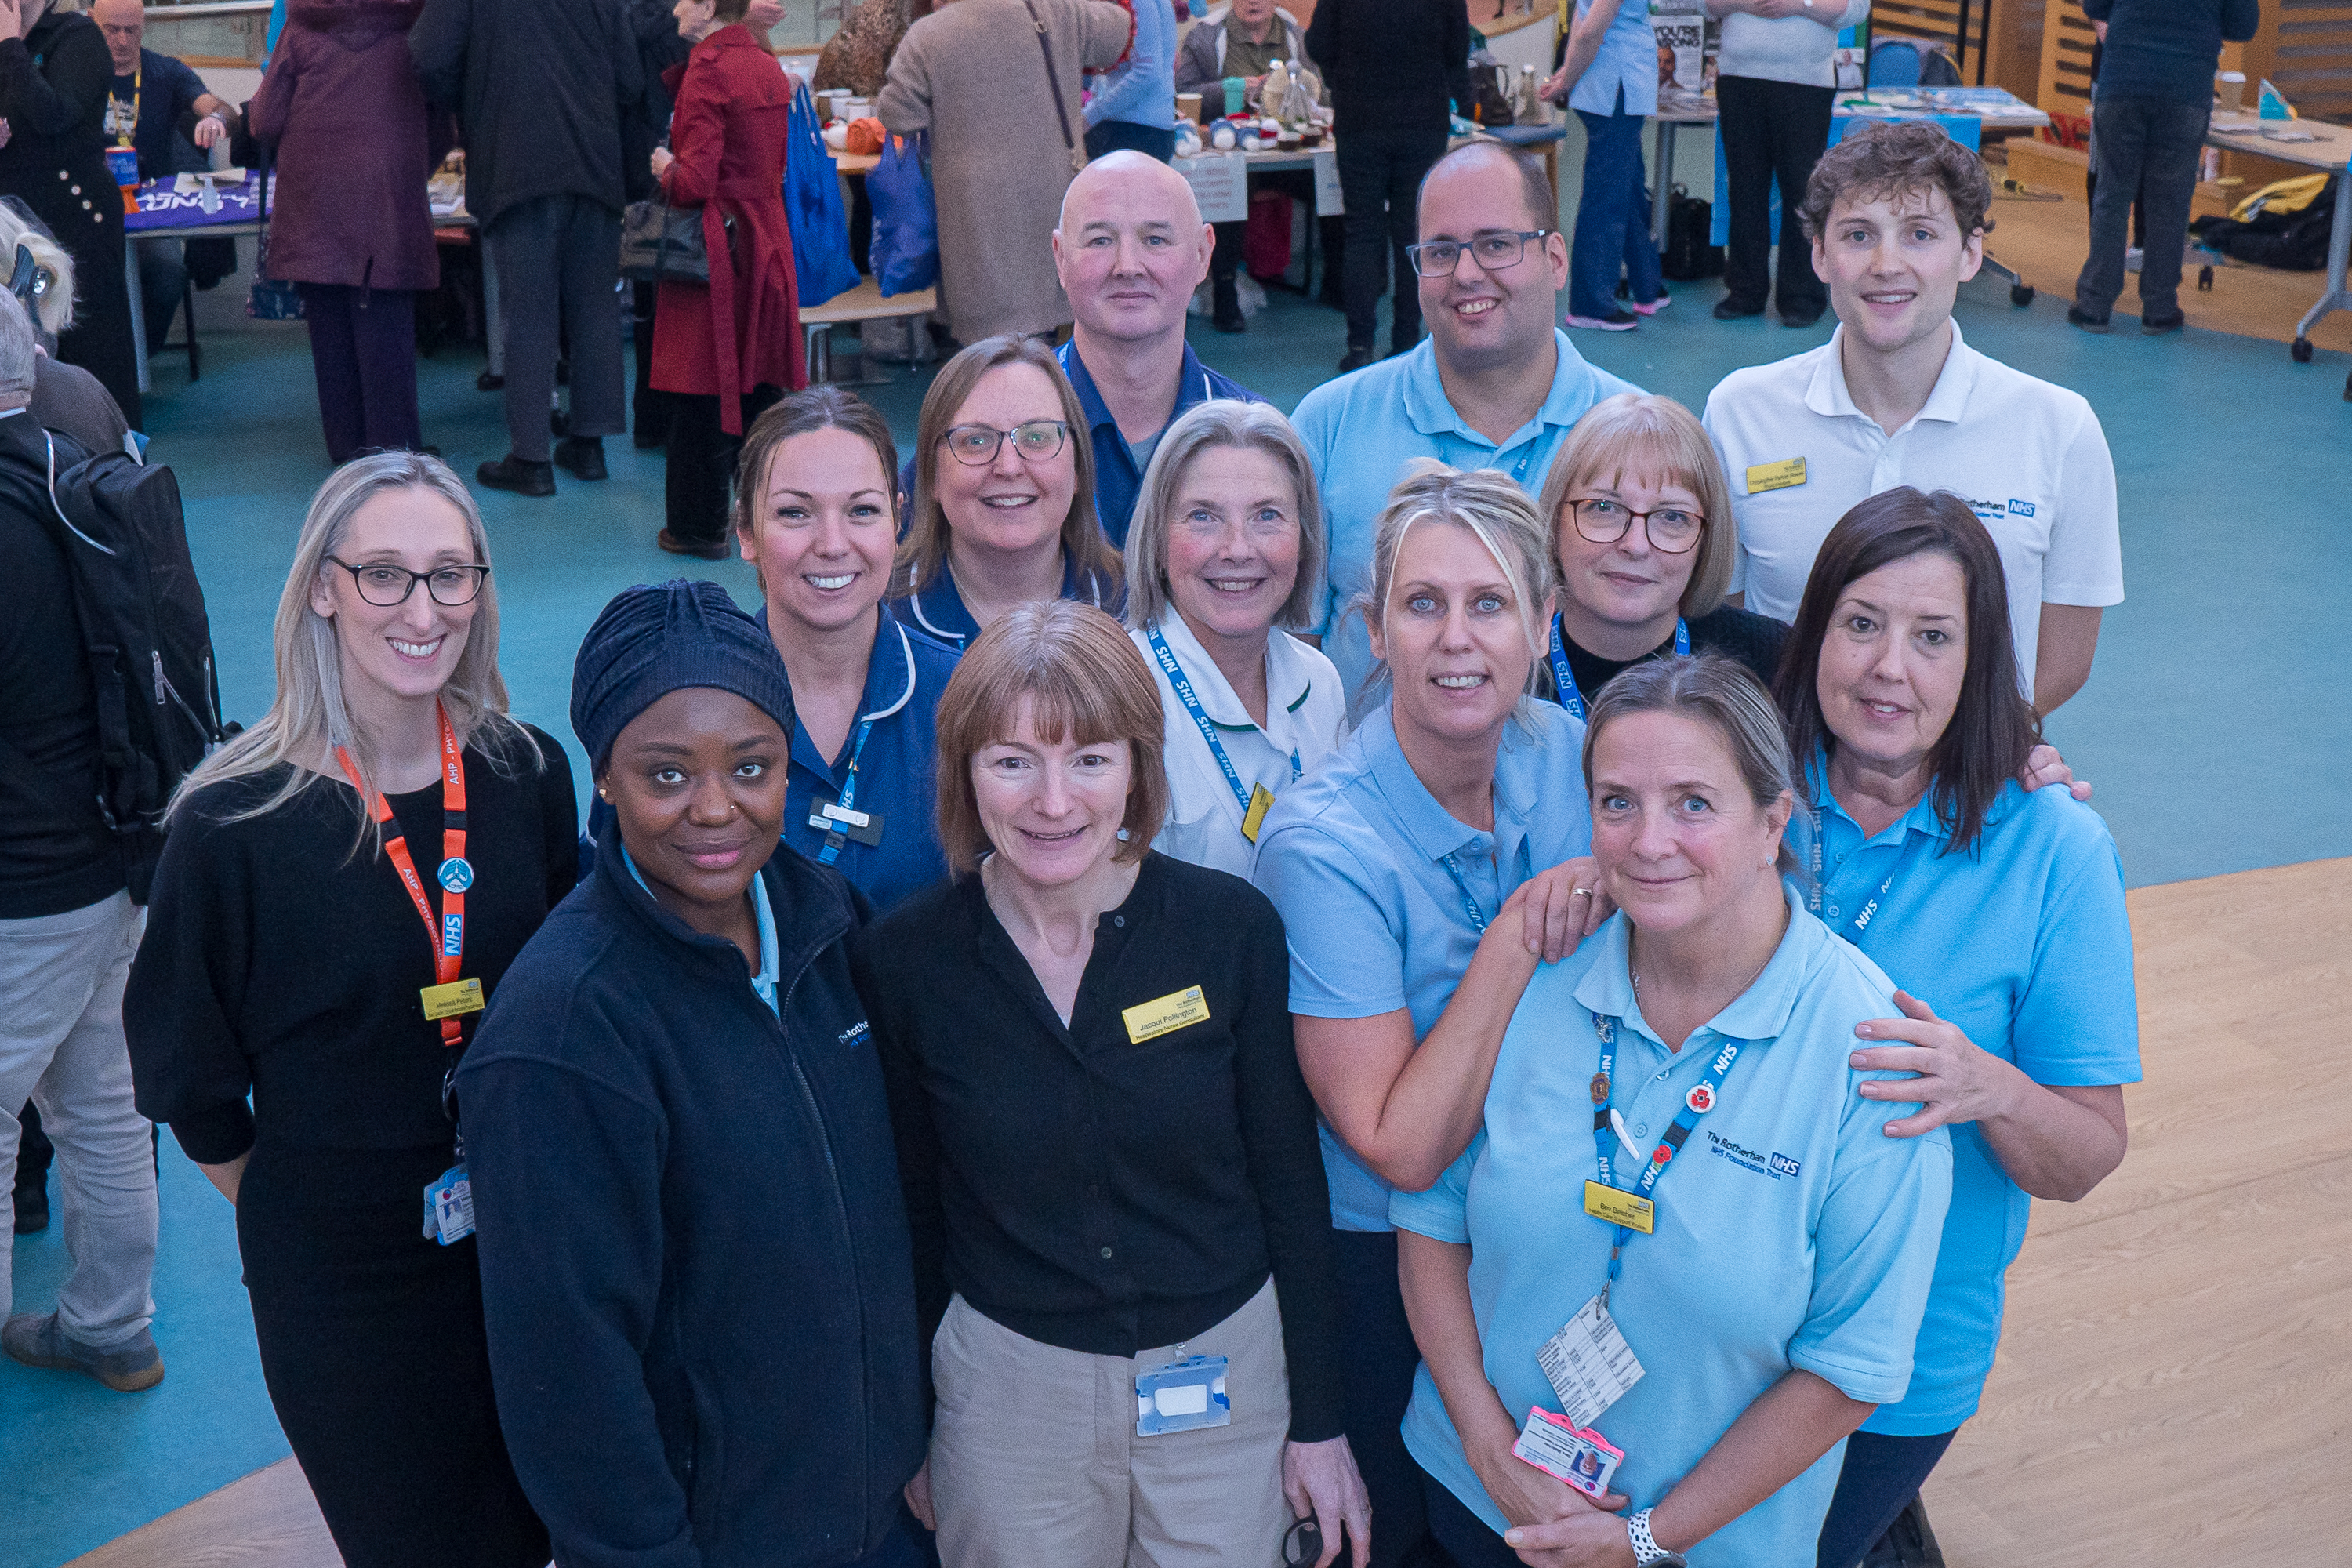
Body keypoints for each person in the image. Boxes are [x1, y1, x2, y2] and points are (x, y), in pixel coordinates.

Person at [1389, 654, 1954, 1567]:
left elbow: (1850, 1368)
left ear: (1773, 822)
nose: (1649, 840)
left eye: (1694, 802)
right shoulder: (1542, 968)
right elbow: (1429, 1215)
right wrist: (1490, 1448)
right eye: (1617, 801)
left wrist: (1646, 1536)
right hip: (1483, 1499)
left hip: (1705, 1548)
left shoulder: (1872, 1051)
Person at [124, 452, 572, 1568]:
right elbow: (192, 1081)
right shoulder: (234, 824)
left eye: (449, 575)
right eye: (383, 575)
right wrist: (309, 1200)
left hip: (530, 1243)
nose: (422, 611)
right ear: (321, 587)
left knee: (549, 1528)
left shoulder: (525, 778)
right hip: (346, 1288)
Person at [857, 601, 1370, 1566]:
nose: (1054, 801)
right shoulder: (908, 961)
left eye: (1090, 757)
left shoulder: (1231, 931)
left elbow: (1292, 1188)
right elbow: (913, 1215)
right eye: (1013, 760)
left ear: (1138, 767)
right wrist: (922, 1425)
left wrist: (1322, 1423)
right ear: (966, 772)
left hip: (1226, 1386)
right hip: (1008, 1400)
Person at [459, 579, 927, 1568]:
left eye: (752, 767)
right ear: (605, 781)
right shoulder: (565, 1033)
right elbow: (569, 1369)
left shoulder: (829, 922)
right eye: (667, 775)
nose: (716, 809)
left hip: (885, 1514)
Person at [1766, 490, 2140, 1568]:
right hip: (1710, 1322)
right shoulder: (1745, 791)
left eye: (1934, 638)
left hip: (1897, 1357)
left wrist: (1992, 1089)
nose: (1892, 668)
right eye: (1863, 623)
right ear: (1816, 634)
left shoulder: (2055, 849)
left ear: (1981, 666)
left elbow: (2086, 1157)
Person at [1252, 461, 1605, 1568]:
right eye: (1424, 604)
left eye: (1491, 603)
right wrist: (1516, 936)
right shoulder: (1322, 847)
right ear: (1374, 630)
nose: (1459, 639)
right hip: (1378, 1269)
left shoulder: (1580, 763)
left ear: (1545, 622)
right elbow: (1399, 1144)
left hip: (1554, 1229)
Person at [1702, 121, 2123, 714]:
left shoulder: (2059, 429)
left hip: (1972, 780)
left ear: (1971, 253)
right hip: (1787, 774)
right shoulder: (1741, 413)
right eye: (1857, 235)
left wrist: (1951, 754)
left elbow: (2063, 661)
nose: (1886, 263)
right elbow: (1728, 629)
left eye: (1920, 234)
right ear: (1820, 255)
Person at [1291, 141, 1642, 697]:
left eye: (1496, 244)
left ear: (1555, 259)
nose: (1466, 273)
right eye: (1440, 252)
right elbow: (1293, 647)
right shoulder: (1328, 426)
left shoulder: (1636, 438)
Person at [0, 285, 159, 1394]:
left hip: (20, 890)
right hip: (115, 854)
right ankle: (113, 1327)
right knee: (102, 1103)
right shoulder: (67, 482)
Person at [736, 387, 962, 909]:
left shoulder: (965, 700)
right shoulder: (688, 706)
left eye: (862, 510)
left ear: (898, 521)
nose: (833, 544)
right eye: (795, 513)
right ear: (746, 529)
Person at [413, 0, 641, 496]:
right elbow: (630, 78)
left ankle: (530, 458)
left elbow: (428, 56)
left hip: (515, 161)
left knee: (529, 314)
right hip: (595, 163)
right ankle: (589, 447)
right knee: (595, 308)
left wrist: (475, 96)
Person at [1121, 398, 1343, 877]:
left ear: (1304, 541)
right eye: (1203, 516)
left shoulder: (1320, 682)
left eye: (1267, 516)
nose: (1238, 549)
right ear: (1156, 540)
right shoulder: (1114, 698)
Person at [643, 0, 804, 559]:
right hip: (765, 236)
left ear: (708, 7)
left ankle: (696, 524)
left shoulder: (707, 70)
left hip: (716, 246)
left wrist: (667, 168)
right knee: (760, 382)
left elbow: (695, 181)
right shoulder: (765, 63)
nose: (676, 7)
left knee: (698, 386)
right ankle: (768, 513)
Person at [247, 0, 440, 467]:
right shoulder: (416, 25)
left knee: (331, 346)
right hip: (388, 208)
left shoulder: (302, 23)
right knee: (387, 343)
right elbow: (443, 118)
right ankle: (395, 459)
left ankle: (349, 461)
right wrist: (411, 167)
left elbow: (264, 121)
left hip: (314, 205)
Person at [877, 0, 1133, 345]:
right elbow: (1119, 29)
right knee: (1055, 324)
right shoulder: (1059, 11)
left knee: (988, 344)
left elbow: (898, 117)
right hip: (1052, 193)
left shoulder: (928, 35)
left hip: (975, 209)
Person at [1050, 149, 1263, 547]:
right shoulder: (998, 424)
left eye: (1156, 239)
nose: (1127, 266)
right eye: (1100, 240)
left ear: (1203, 254)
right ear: (1060, 258)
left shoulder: (1256, 436)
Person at [1534, 390, 1788, 708]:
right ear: (1555, 521)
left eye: (1672, 517)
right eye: (1604, 508)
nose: (1635, 545)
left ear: (1708, 539)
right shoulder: (1501, 666)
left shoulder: (1772, 664)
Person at [892, 333, 1123, 651]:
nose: (1009, 467)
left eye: (1038, 437)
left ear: (1079, 469)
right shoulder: (882, 619)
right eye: (975, 441)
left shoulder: (1134, 611)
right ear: (931, 475)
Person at [2070, 0, 2261, 336]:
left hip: (2123, 83)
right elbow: (2243, 27)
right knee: (2170, 203)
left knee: (2111, 195)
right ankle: (2160, 309)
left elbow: (2096, 7)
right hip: (2185, 90)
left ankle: (2094, 306)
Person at [1306, 0, 1470, 370]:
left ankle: (1360, 344)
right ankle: (1407, 343)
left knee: (1361, 232)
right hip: (1423, 120)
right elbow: (1459, 48)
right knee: (1413, 236)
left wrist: (1341, 76)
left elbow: (1317, 43)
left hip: (1359, 118)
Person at [0, 0, 142, 427]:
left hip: (76, 218)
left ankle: (119, 466)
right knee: (22, 351)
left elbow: (54, 115)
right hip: (13, 227)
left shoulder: (77, 38)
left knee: (94, 350)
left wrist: (10, 43)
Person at [1174, 0, 1342, 332]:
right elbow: (1183, 93)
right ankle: (1225, 294)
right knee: (1229, 190)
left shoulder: (1296, 36)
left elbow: (1320, 94)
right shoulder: (1206, 38)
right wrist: (1231, 89)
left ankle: (1336, 282)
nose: (1254, 2)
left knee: (1334, 182)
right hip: (1234, 151)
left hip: (1290, 153)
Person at [1704, 0, 1867, 326]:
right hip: (1739, 79)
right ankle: (1745, 291)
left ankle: (1802, 296)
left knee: (1802, 189)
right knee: (1744, 187)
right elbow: (1705, 5)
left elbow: (1856, 9)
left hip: (1805, 84)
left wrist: (1799, 5)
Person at [90, 0, 238, 351]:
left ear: (144, 27)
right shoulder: (76, 71)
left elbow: (224, 110)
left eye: (133, 30)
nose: (123, 41)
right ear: (91, 23)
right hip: (91, 203)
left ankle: (142, 353)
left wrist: (215, 119)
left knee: (168, 274)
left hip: (150, 208)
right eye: (112, 30)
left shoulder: (167, 72)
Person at [1542, 0, 1664, 332]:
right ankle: (1591, 304)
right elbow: (1589, 32)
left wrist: (1567, 73)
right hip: (1615, 87)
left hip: (1610, 85)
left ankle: (1647, 284)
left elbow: (1582, 20)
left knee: (1628, 186)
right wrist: (1566, 80)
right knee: (1607, 197)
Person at [1083, 0, 1174, 162]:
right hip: (1118, 126)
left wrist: (1092, 113)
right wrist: (1095, 106)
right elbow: (1104, 66)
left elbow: (1147, 72)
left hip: (1135, 132)